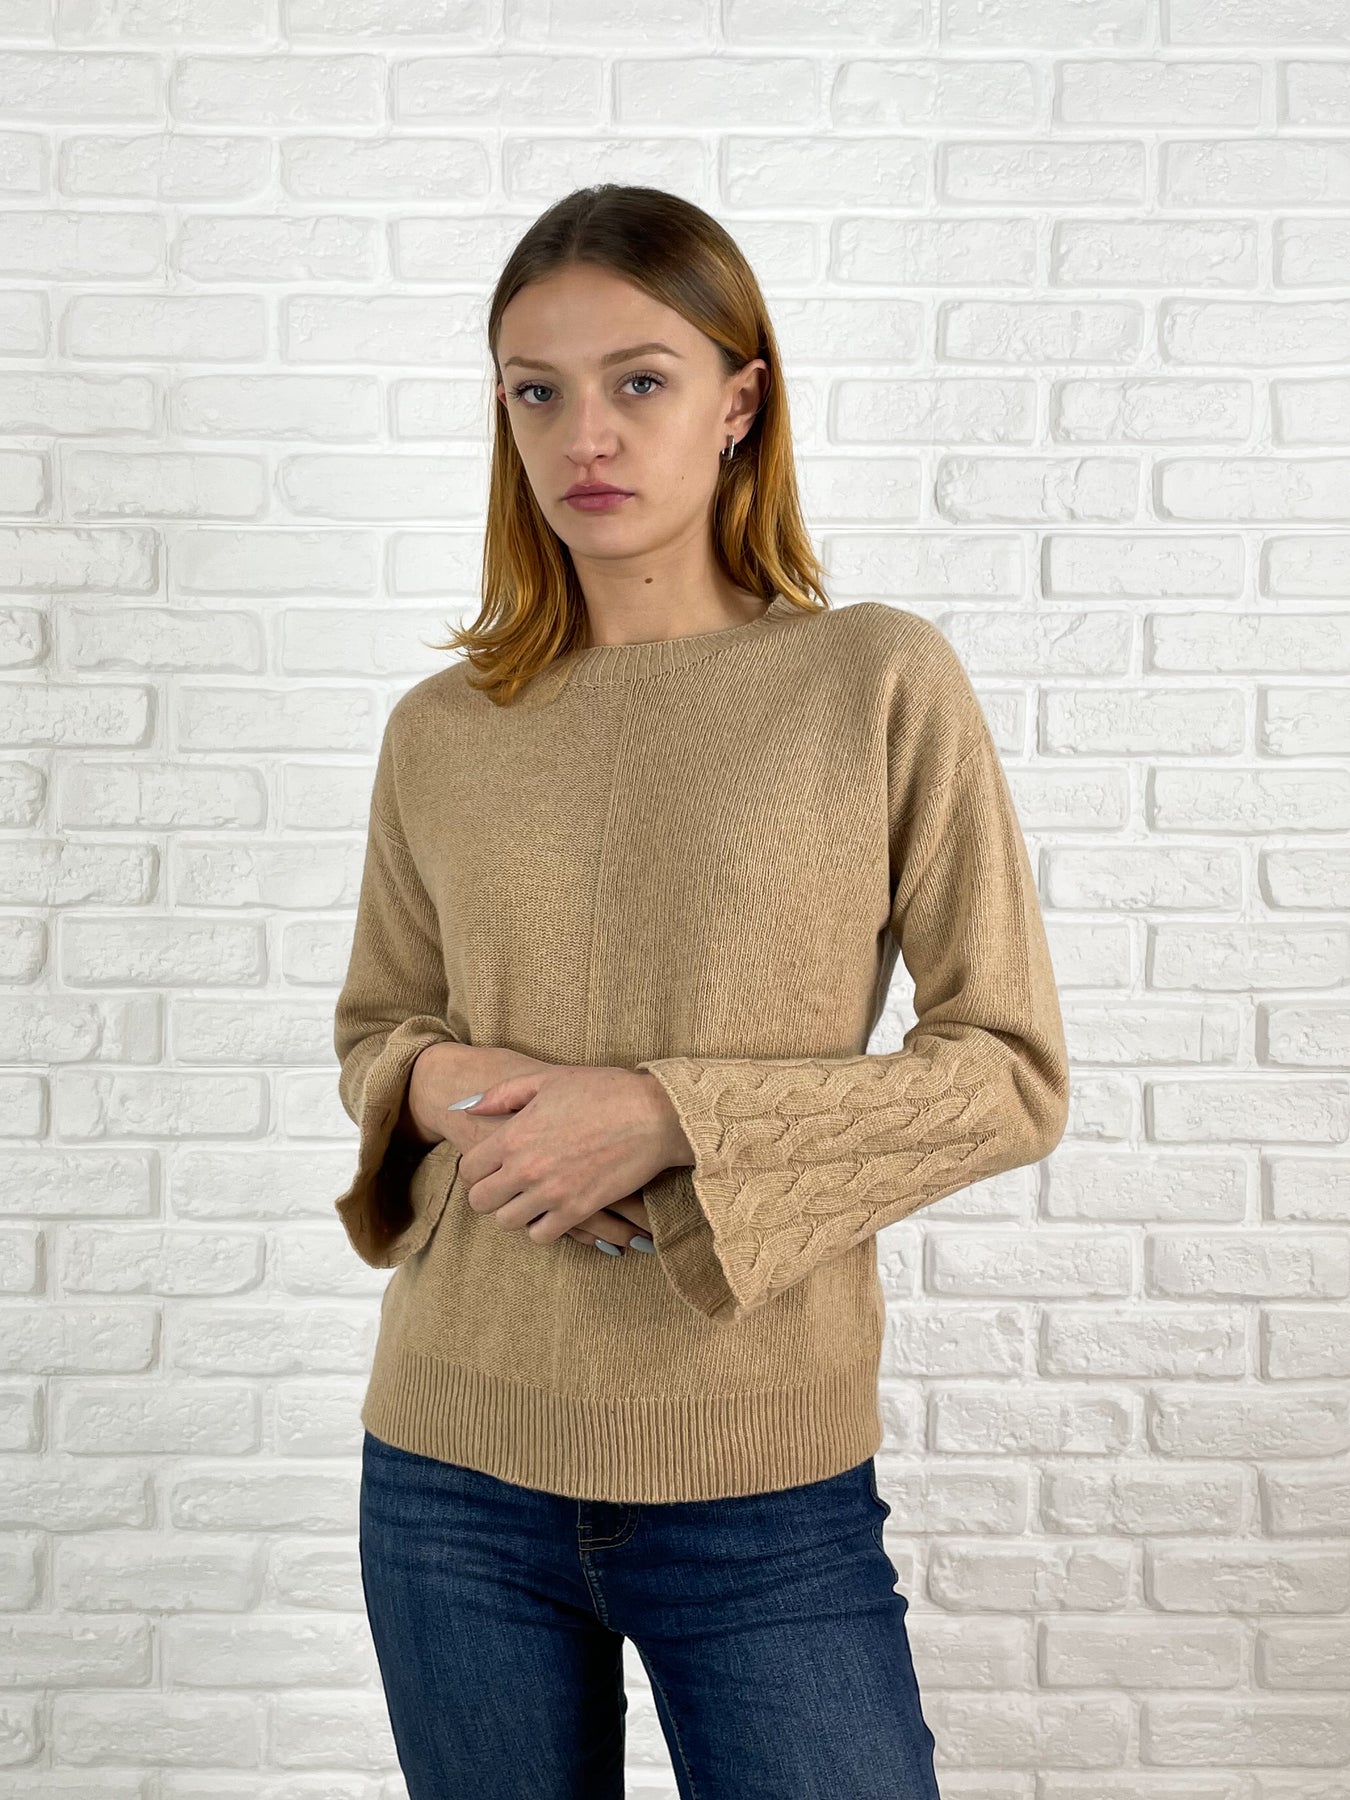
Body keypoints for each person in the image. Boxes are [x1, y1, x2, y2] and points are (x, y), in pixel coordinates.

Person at [334, 183, 1069, 1800]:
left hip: (758, 1482)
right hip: (447, 1469)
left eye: (640, 381)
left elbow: (1007, 1071)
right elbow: (379, 1029)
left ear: (740, 403)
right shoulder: (440, 730)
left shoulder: (873, 679)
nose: (583, 434)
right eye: (537, 390)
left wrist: (668, 1115)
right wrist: (442, 1086)